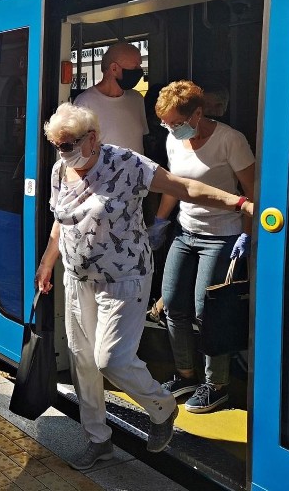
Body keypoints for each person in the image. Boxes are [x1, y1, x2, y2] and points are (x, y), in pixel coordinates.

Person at [34, 103, 254, 469]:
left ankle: (162, 408)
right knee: (83, 362)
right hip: (77, 278)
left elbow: (182, 186)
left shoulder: (127, 163)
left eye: (68, 144)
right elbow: (62, 220)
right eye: (56, 145)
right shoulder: (61, 169)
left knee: (111, 359)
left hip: (125, 277)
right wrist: (47, 261)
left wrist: (239, 202)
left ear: (91, 138)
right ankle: (98, 440)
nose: (62, 151)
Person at [150, 80, 255, 413]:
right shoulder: (173, 139)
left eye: (175, 122)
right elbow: (174, 185)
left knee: (207, 311)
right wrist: (160, 222)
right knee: (173, 305)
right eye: (165, 122)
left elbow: (253, 191)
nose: (170, 128)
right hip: (186, 231)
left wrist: (248, 235)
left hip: (223, 235)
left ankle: (217, 384)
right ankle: (186, 375)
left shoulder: (230, 140)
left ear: (197, 114)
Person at [73, 42, 148, 153]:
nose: (139, 70)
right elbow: (78, 150)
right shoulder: (85, 102)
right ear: (114, 69)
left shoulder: (137, 99)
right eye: (135, 66)